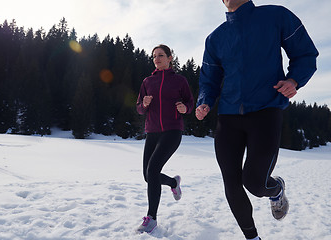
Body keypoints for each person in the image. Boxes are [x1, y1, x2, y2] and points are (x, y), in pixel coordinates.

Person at [195, 1, 318, 239]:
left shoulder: (275, 16)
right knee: (231, 182)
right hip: (228, 117)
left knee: (254, 182)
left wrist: (294, 80)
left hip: (266, 110)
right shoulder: (215, 38)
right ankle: (252, 237)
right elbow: (209, 79)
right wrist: (204, 100)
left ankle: (276, 189)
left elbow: (305, 53)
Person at [135, 44, 194, 233]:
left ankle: (151, 218)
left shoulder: (180, 81)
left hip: (172, 131)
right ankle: (174, 183)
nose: (157, 59)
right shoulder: (147, 81)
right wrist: (143, 104)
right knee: (147, 176)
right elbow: (139, 107)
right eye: (154, 56)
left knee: (152, 170)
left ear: (170, 58)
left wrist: (185, 109)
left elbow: (190, 102)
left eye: (161, 55)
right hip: (152, 132)